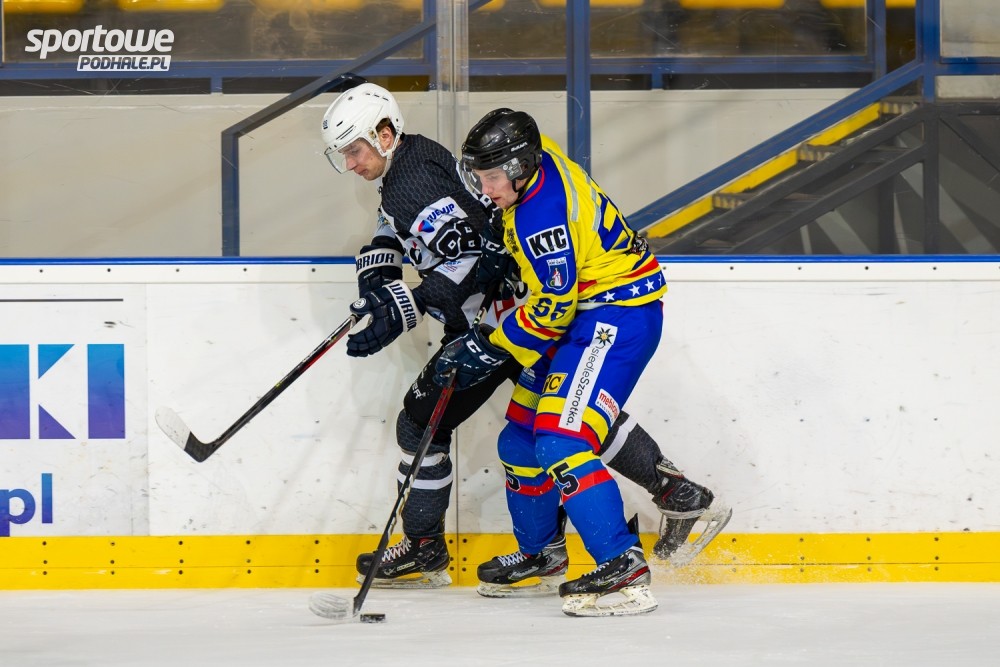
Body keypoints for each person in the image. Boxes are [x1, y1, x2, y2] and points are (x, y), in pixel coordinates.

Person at [319, 83, 729, 595]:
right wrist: (387, 270)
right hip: (556, 308)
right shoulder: (505, 160)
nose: (485, 188)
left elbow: (534, 297)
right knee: (533, 431)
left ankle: (615, 561)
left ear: (384, 136)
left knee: (550, 431)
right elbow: (442, 225)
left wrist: (449, 323)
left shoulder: (529, 216)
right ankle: (627, 514)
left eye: (354, 150)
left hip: (572, 313)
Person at [436, 108, 719, 617]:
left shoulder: (540, 218)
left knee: (561, 441)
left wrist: (490, 346)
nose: (485, 188)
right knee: (519, 441)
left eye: (492, 177)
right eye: (480, 176)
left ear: (520, 168)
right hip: (589, 310)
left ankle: (621, 566)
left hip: (614, 316)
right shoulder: (537, 161)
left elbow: (551, 310)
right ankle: (543, 554)